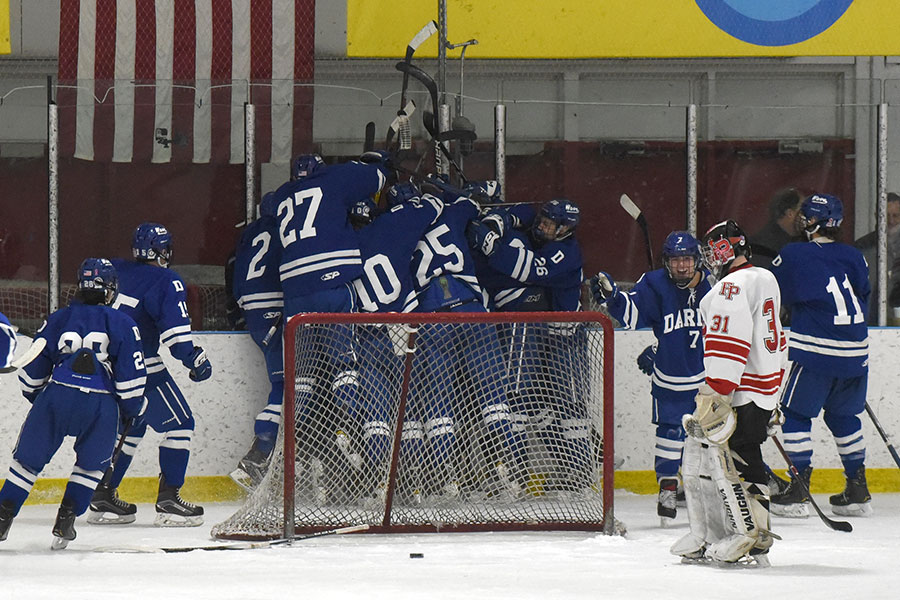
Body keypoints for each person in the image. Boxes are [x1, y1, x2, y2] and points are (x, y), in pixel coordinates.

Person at [1, 259, 146, 549]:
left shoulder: (58, 318)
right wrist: (132, 411)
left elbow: (32, 373)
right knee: (91, 467)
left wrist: (40, 400)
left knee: (26, 463)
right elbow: (131, 384)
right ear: (110, 289)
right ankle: (65, 521)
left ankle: (3, 519)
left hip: (58, 395)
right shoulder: (123, 323)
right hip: (101, 405)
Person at [670, 219, 786, 567]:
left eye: (711, 250)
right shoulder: (765, 277)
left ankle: (745, 536)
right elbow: (774, 339)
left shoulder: (729, 287)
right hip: (764, 386)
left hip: (739, 390)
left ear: (724, 250)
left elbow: (729, 344)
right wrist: (775, 397)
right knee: (744, 456)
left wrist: (716, 393)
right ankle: (742, 534)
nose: (708, 258)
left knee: (727, 461)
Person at [88, 223, 212, 527]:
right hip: (138, 363)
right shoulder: (166, 280)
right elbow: (176, 337)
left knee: (134, 426)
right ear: (163, 251)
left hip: (101, 364)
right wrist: (195, 359)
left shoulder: (115, 268)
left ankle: (102, 494)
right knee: (181, 425)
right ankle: (169, 500)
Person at [472, 198, 593, 496]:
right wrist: (500, 221)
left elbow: (526, 270)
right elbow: (525, 210)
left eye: (550, 224)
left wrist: (491, 245)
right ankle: (527, 469)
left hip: (567, 339)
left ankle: (579, 473)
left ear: (565, 229)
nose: (541, 226)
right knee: (535, 405)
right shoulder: (542, 234)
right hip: (546, 337)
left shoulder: (566, 252)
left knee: (570, 406)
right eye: (543, 220)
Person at [591, 231, 712, 524]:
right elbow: (632, 315)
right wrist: (613, 297)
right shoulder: (654, 283)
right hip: (670, 377)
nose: (681, 266)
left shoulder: (715, 285)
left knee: (712, 438)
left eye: (686, 259)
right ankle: (668, 486)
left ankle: (713, 491)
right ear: (666, 262)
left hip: (710, 381)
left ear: (696, 260)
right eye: (675, 260)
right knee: (670, 432)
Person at [769, 193, 872, 518]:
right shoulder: (854, 255)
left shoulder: (794, 253)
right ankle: (858, 489)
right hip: (856, 352)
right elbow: (862, 297)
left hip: (817, 351)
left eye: (805, 215)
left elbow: (773, 296)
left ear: (815, 221)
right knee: (844, 417)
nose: (801, 219)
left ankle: (798, 489)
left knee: (795, 414)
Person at [228, 192, 285, 490]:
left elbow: (234, 271)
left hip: (253, 313)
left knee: (284, 385)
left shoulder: (250, 232)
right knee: (287, 388)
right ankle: (258, 455)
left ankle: (267, 457)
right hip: (276, 308)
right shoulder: (284, 228)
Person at [854, 192, 900, 324]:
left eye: (896, 216)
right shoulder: (863, 246)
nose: (890, 221)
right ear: (876, 216)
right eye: (886, 216)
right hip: (870, 320)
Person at [749, 188, 804, 269]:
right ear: (790, 213)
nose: (805, 216)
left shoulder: (801, 241)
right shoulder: (762, 246)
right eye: (802, 209)